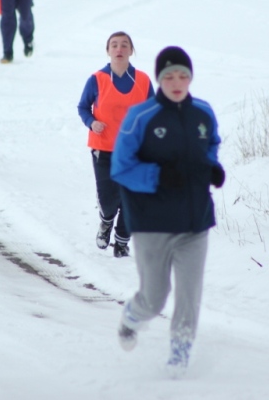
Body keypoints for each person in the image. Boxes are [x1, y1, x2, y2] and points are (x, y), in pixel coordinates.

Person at [110, 46, 225, 377]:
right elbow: (120, 167)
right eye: (169, 76)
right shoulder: (141, 117)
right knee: (155, 298)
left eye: (183, 76)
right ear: (159, 79)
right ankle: (133, 316)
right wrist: (158, 176)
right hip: (152, 223)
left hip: (194, 222)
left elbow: (211, 143)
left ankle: (180, 353)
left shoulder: (203, 112)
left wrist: (212, 167)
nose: (177, 83)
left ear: (190, 78)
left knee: (189, 295)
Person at [77, 32, 154, 258]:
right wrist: (92, 122)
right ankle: (106, 222)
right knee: (109, 200)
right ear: (108, 51)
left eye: (124, 45)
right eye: (114, 45)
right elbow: (83, 107)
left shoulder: (143, 80)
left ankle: (122, 242)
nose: (119, 49)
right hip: (103, 149)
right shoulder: (97, 79)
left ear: (131, 50)